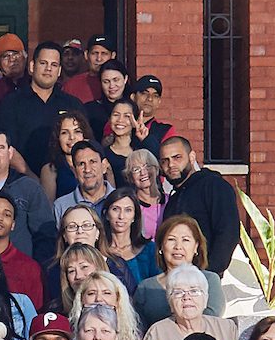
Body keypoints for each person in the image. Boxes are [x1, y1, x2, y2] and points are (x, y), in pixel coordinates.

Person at [154, 135, 238, 310]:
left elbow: (228, 233)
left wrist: (209, 275)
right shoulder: (173, 200)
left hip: (205, 283)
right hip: (176, 285)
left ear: (192, 157)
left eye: (177, 158)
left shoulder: (214, 186)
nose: (171, 165)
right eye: (165, 161)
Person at [0, 40, 85, 178]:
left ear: (59, 71)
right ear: (32, 66)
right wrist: (32, 178)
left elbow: (85, 144)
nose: (48, 69)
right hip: (21, 181)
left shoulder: (72, 104)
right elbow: (5, 146)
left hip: (67, 183)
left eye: (54, 65)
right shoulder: (11, 103)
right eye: (43, 63)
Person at [0, 130, 55, 264]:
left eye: (0, 147)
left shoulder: (29, 189)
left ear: (10, 153)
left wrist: (37, 272)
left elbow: (46, 237)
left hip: (20, 275)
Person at [132, 215, 213, 329]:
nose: (178, 246)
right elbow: (137, 326)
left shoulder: (210, 280)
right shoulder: (145, 287)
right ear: (160, 247)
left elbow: (211, 318)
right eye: (171, 240)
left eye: (185, 240)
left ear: (196, 247)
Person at [99, 186, 155, 289]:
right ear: (106, 214)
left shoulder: (150, 249)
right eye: (115, 209)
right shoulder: (98, 251)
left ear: (134, 216)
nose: (121, 216)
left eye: (128, 210)